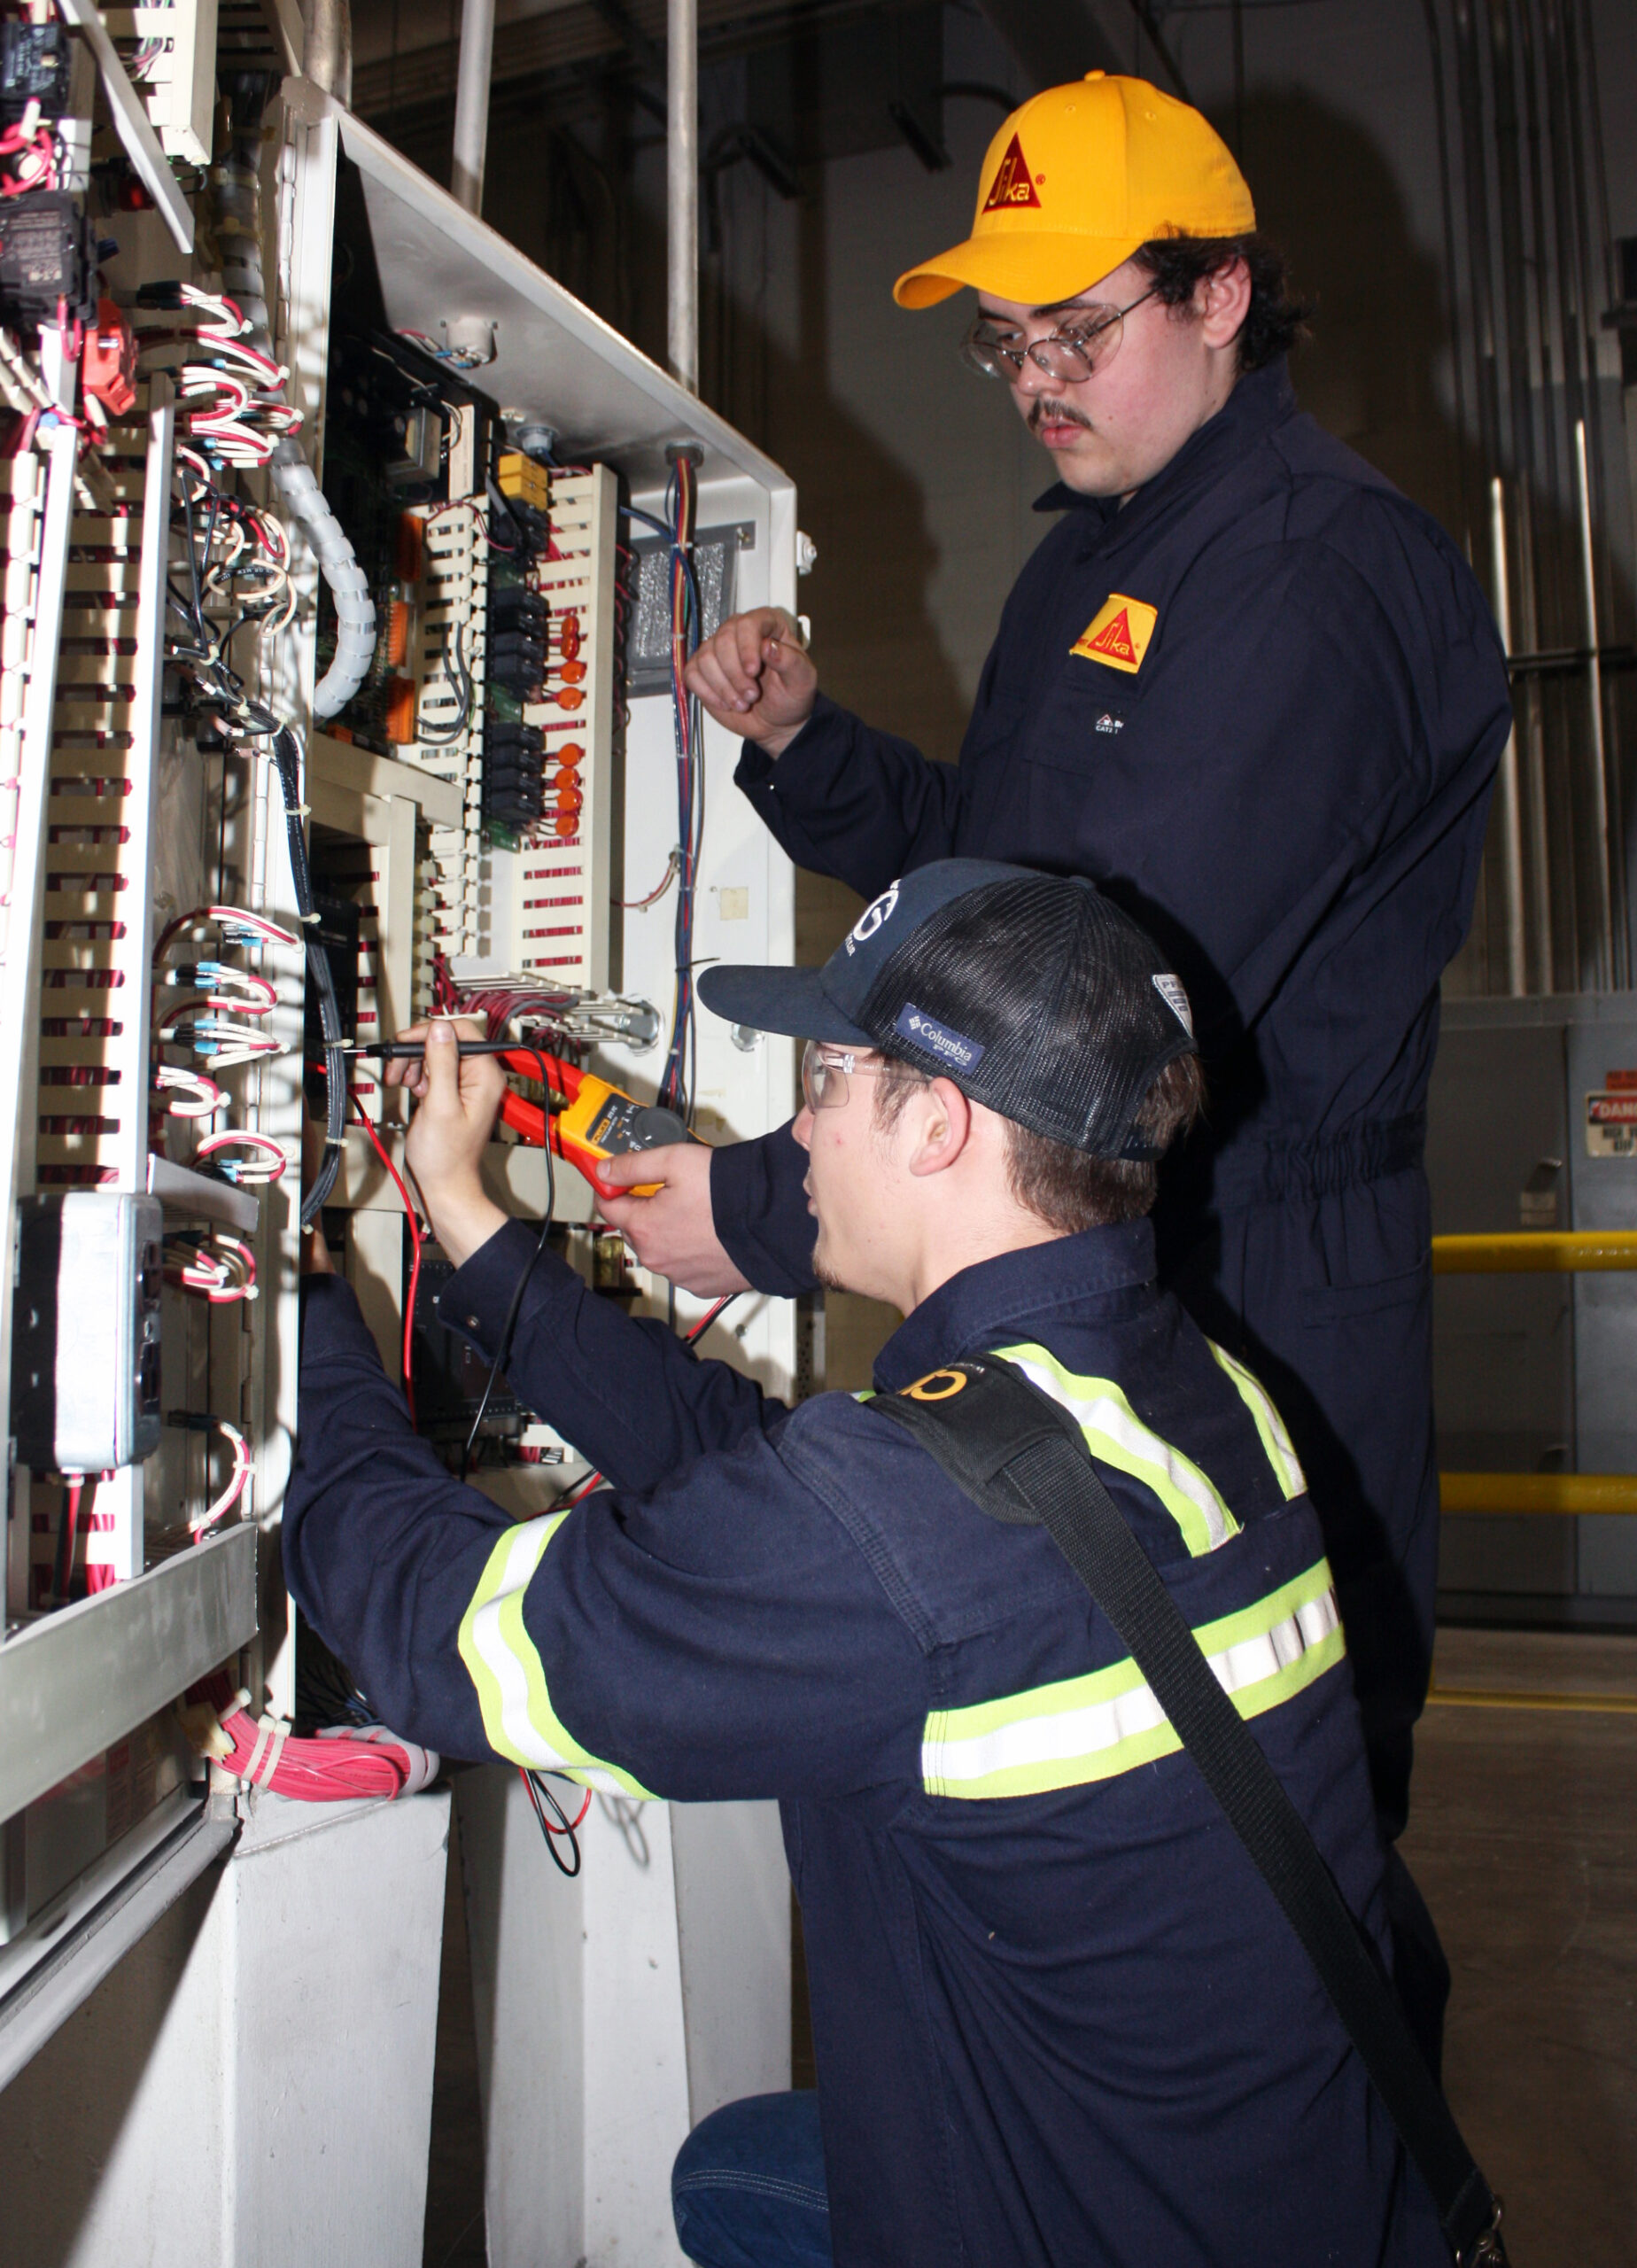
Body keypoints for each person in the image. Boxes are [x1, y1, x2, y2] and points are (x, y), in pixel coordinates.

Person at [595, 71, 1513, 2051]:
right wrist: (810, 747)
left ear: (1222, 297)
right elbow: (1000, 871)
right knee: (1083, 1840)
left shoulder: (1309, 576)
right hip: (1095, 1278)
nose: (1031, 378)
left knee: (1265, 1879)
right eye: (1008, 341)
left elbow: (1076, 1009)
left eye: (1075, 329)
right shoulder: (1096, 554)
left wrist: (761, 1211)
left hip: (1258, 1295)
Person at [285, 859, 1446, 2268]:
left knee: (728, 2183)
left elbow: (426, 1630)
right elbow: (756, 1478)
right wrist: (461, 1222)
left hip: (1092, 2227)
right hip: (1291, 2200)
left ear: (940, 1125)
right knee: (739, 2171)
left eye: (826, 1079)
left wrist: (292, 1293)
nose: (799, 1131)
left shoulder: (907, 1531)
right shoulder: (1197, 1391)